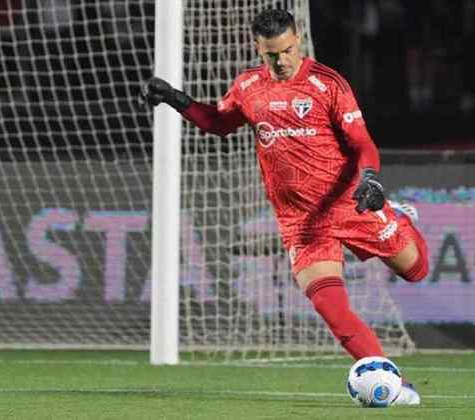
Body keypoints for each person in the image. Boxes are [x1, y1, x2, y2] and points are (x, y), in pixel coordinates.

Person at [142, 9, 427, 405]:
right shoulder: (248, 87)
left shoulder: (327, 84)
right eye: (271, 54)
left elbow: (362, 141)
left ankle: (400, 218)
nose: (281, 61)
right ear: (258, 49)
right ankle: (391, 387)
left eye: (288, 51)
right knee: (331, 306)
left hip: (349, 202)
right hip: (301, 222)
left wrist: (371, 179)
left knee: (416, 270)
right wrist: (178, 100)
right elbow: (219, 123)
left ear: (299, 42)